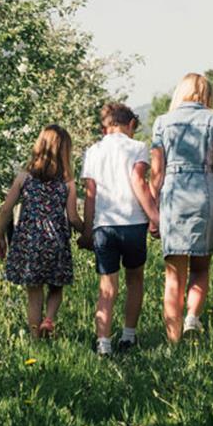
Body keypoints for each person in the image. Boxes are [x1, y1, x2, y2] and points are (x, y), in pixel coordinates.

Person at [150, 73, 213, 342]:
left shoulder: (162, 122)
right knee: (200, 266)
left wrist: (154, 205)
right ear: (206, 94)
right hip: (204, 191)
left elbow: (156, 171)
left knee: (173, 274)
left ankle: (173, 340)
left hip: (173, 194)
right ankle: (192, 318)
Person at [80, 103, 159, 356]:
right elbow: (138, 183)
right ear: (131, 125)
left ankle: (103, 343)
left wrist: (87, 230)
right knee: (135, 279)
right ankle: (128, 336)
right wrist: (154, 217)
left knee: (107, 286)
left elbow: (90, 194)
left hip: (104, 225)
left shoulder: (93, 151)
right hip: (133, 224)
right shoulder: (137, 147)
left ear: (105, 127)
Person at [0, 125, 82, 339]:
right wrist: (87, 232)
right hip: (56, 241)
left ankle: (36, 340)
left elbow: (6, 208)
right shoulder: (67, 182)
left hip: (28, 240)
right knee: (56, 286)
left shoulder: (24, 177)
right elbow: (72, 217)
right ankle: (49, 318)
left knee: (34, 294)